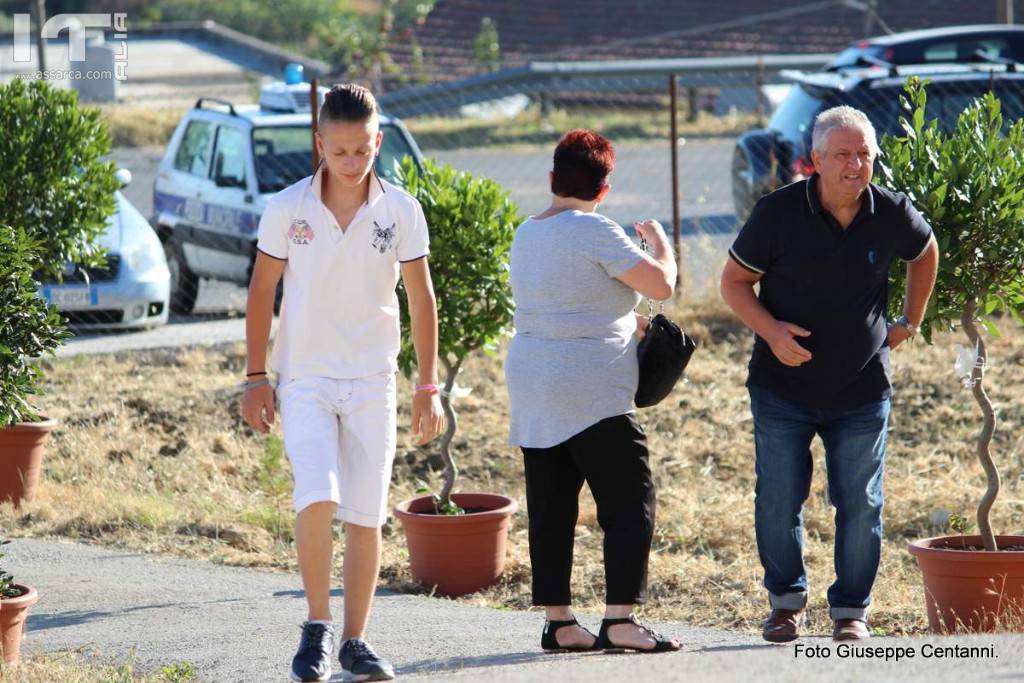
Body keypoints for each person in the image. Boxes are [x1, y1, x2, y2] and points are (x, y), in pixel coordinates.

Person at [241, 83, 445, 682]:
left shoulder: (402, 210)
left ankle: (356, 640)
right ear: (320, 145)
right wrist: (257, 377)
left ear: (378, 142)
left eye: (363, 150)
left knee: (364, 513)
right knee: (318, 493)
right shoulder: (287, 209)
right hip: (303, 377)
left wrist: (427, 386)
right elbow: (261, 292)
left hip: (374, 381)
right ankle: (317, 627)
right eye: (341, 152)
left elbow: (421, 297)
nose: (353, 163)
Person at [720, 105, 939, 643]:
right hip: (782, 389)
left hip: (862, 389)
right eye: (843, 154)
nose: (855, 164)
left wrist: (910, 320)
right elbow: (733, 283)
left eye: (864, 153)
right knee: (777, 499)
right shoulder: (777, 213)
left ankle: (850, 612)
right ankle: (785, 603)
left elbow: (925, 251)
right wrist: (772, 332)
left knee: (861, 504)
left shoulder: (891, 211)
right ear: (815, 160)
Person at [505, 128, 681, 654]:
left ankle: (559, 623)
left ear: (553, 178)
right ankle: (621, 620)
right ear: (604, 188)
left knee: (552, 504)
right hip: (592, 388)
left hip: (532, 382)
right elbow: (662, 285)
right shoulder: (596, 231)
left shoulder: (525, 232)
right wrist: (660, 245)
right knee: (630, 501)